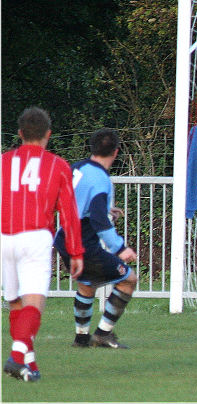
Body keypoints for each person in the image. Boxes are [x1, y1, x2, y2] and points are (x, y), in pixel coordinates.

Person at [2, 107, 85, 382]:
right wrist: (76, 251)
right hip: (35, 236)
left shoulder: (3, 162)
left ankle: (29, 364)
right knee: (34, 302)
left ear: (20, 134)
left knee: (15, 301)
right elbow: (69, 212)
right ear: (48, 135)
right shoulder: (58, 165)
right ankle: (16, 357)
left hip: (4, 236)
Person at [54, 128, 139, 349]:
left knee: (87, 284)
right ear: (116, 151)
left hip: (65, 237)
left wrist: (105, 210)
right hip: (84, 242)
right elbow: (100, 221)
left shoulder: (77, 168)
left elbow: (73, 200)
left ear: (91, 148)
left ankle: (81, 339)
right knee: (129, 279)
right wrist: (120, 249)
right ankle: (103, 334)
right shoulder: (100, 179)